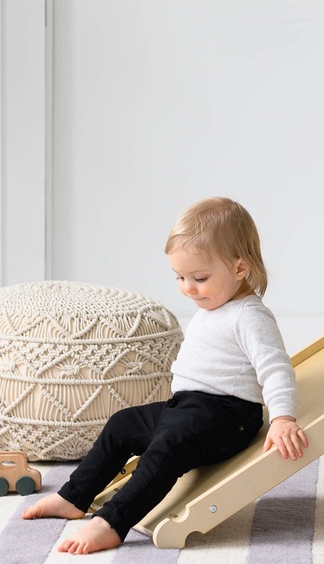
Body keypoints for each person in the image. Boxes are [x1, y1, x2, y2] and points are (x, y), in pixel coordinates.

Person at [22, 197, 308, 555]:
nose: (188, 287)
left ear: (240, 268)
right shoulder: (214, 304)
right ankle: (74, 496)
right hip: (186, 407)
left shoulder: (249, 315)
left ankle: (112, 522)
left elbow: (275, 367)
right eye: (180, 277)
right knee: (121, 425)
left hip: (228, 417)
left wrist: (283, 417)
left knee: (167, 448)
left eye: (199, 278)